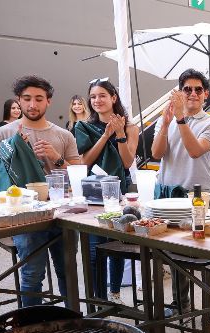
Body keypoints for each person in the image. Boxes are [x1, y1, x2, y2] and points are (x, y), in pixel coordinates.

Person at [0, 75, 82, 307]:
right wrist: (15, 150)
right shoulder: (3, 134)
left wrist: (56, 158)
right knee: (32, 274)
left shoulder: (63, 135)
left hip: (62, 213)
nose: (32, 104)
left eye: (39, 99)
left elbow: (79, 175)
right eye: (26, 98)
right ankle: (32, 330)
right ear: (18, 100)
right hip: (24, 216)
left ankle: (72, 322)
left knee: (68, 272)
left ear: (48, 101)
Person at [151, 68, 210, 313]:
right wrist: (166, 124)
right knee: (173, 252)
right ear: (180, 93)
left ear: (205, 94)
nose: (192, 94)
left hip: (196, 195)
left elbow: (195, 150)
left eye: (197, 89)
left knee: (203, 248)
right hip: (167, 191)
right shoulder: (168, 118)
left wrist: (180, 120)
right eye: (187, 89)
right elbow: (156, 154)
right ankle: (181, 304)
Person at [75, 78, 140, 305]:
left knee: (117, 246)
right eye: (93, 96)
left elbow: (126, 161)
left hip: (118, 192)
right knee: (94, 250)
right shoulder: (83, 126)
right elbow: (85, 161)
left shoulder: (131, 127)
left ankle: (115, 294)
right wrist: (105, 135)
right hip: (93, 194)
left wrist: (120, 133)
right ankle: (98, 301)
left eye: (102, 95)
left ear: (113, 98)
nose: (97, 100)